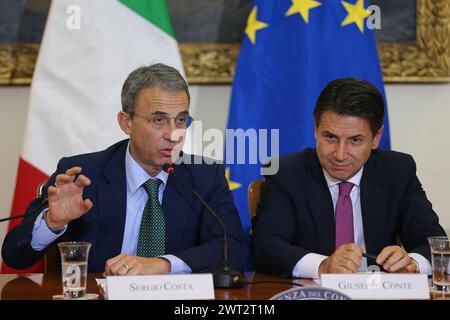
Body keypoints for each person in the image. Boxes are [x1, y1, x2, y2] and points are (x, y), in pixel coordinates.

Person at [2, 63, 245, 275]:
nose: (173, 135)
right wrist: (52, 222)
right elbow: (14, 256)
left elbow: (233, 248)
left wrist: (163, 264)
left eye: (181, 120)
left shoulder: (205, 175)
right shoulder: (83, 175)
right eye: (159, 120)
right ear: (126, 123)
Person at [252, 78, 446, 278]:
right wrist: (323, 266)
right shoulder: (287, 173)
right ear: (315, 130)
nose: (340, 154)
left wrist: (412, 263)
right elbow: (266, 247)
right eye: (330, 137)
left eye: (355, 140)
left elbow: (435, 242)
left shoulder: (397, 171)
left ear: (376, 138)